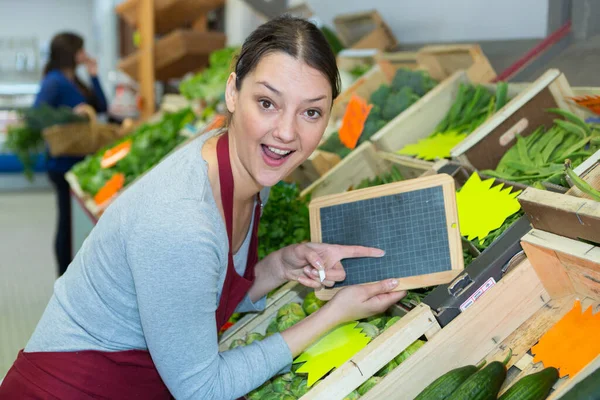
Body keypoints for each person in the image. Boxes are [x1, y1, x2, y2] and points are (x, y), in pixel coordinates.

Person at [0, 16, 405, 399]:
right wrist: (331, 316)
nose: (286, 132)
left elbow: (198, 297)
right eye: (267, 103)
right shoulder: (182, 220)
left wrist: (281, 266)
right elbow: (202, 390)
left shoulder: (240, 167)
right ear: (233, 92)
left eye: (311, 112)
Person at [34, 32, 108, 277]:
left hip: (79, 159)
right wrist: (69, 115)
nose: (83, 55)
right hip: (62, 163)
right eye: (80, 50)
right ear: (69, 53)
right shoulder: (54, 80)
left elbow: (102, 107)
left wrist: (94, 72)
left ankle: (72, 273)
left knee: (72, 222)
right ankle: (63, 276)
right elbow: (38, 115)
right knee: (66, 222)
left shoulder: (74, 79)